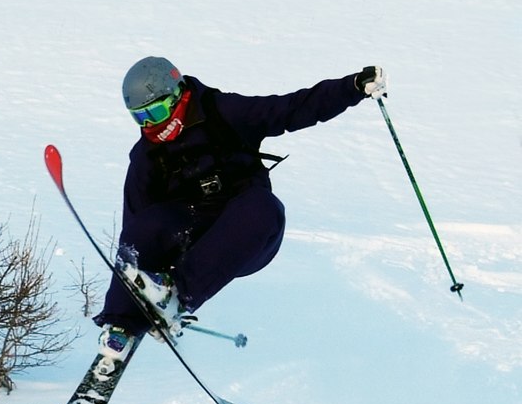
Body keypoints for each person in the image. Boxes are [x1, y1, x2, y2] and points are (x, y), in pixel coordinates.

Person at [94, 57, 387, 359]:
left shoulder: (222, 113)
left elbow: (292, 109)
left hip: (245, 235)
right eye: (140, 118)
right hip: (192, 227)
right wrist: (135, 289)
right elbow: (137, 234)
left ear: (177, 95)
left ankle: (177, 296)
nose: (151, 125)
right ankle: (120, 326)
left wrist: (351, 88)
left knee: (263, 207)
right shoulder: (146, 156)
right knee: (146, 225)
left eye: (155, 112)